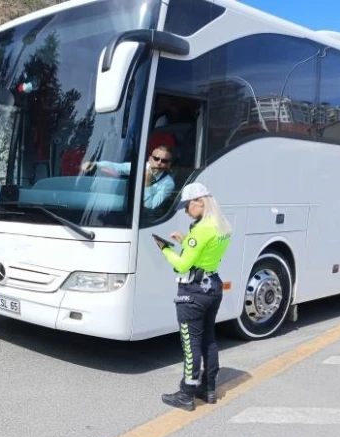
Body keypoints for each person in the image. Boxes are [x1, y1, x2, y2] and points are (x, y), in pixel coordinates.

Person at [153, 182, 232, 411]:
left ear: (200, 202)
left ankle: (187, 393)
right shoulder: (222, 225)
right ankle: (208, 389)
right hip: (213, 286)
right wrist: (185, 240)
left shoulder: (201, 230)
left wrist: (165, 249)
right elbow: (204, 253)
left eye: (187, 206)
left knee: (191, 343)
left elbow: (183, 265)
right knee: (209, 339)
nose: (186, 211)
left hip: (193, 291)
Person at [81, 145, 176, 210]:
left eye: (164, 161)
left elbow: (150, 207)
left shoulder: (168, 183)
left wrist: (147, 185)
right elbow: (118, 167)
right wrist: (95, 164)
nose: (159, 163)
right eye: (156, 159)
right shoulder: (140, 166)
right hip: (125, 207)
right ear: (150, 159)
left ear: (169, 165)